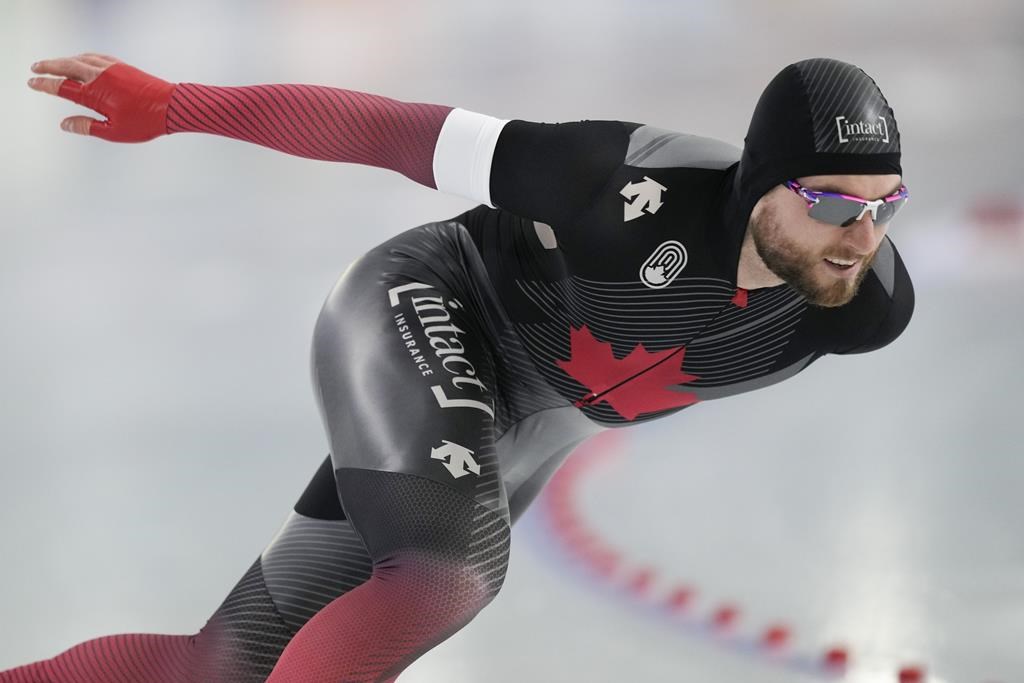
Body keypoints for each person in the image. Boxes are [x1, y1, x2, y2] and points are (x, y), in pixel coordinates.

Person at [7, 53, 913, 682]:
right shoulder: (616, 182)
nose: (859, 236)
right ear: (760, 182)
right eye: (832, 200)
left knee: (224, 664)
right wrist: (174, 105)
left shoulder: (865, 309)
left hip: (529, 420)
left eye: (885, 204)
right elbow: (392, 131)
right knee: (449, 572)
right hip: (434, 302)